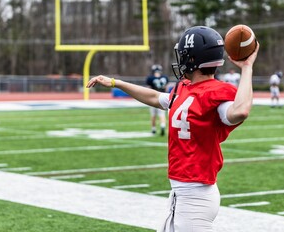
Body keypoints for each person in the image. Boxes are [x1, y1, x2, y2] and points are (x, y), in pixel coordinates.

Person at [86, 26, 259, 232]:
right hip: (180, 193)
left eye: (184, 54)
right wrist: (116, 83)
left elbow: (240, 111)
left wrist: (247, 67)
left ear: (193, 59)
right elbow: (153, 97)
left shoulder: (215, 94)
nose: (180, 59)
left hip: (196, 196)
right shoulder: (184, 88)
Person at [146, 64, 169, 135]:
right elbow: (166, 88)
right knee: (162, 114)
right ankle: (163, 125)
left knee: (153, 115)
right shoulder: (165, 77)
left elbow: (148, 88)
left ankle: (153, 129)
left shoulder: (150, 78)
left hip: (153, 97)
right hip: (162, 96)